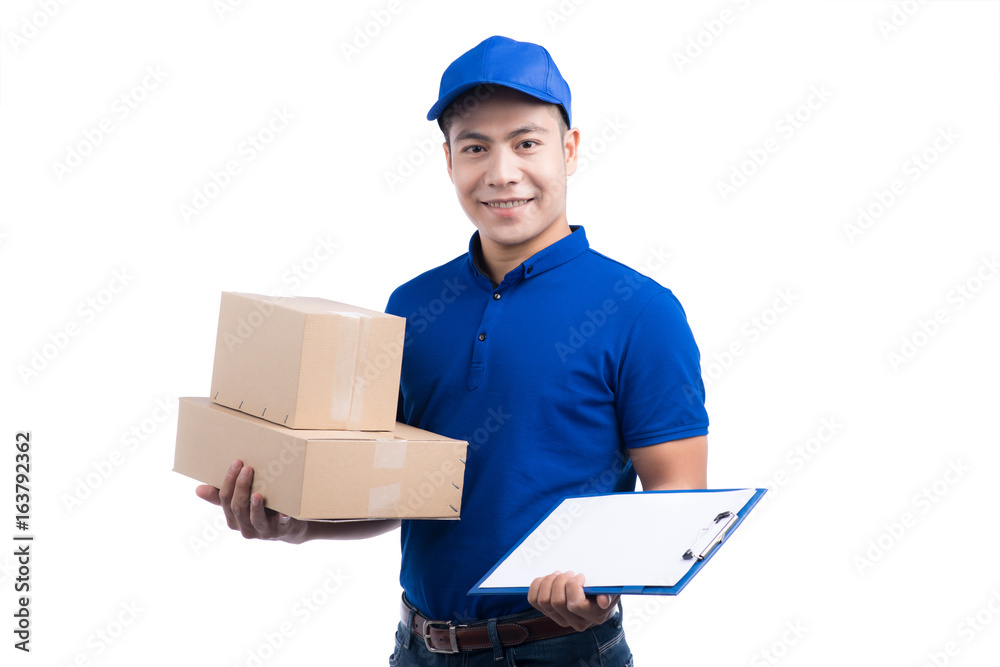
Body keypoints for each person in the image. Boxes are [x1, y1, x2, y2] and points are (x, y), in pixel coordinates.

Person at [196, 36, 709, 666]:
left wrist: (601, 584)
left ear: (569, 149)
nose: (502, 172)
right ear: (448, 161)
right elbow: (402, 489)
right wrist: (302, 524)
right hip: (419, 648)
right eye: (475, 147)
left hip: (562, 652)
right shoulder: (412, 305)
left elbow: (678, 494)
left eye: (527, 143)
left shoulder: (641, 310)